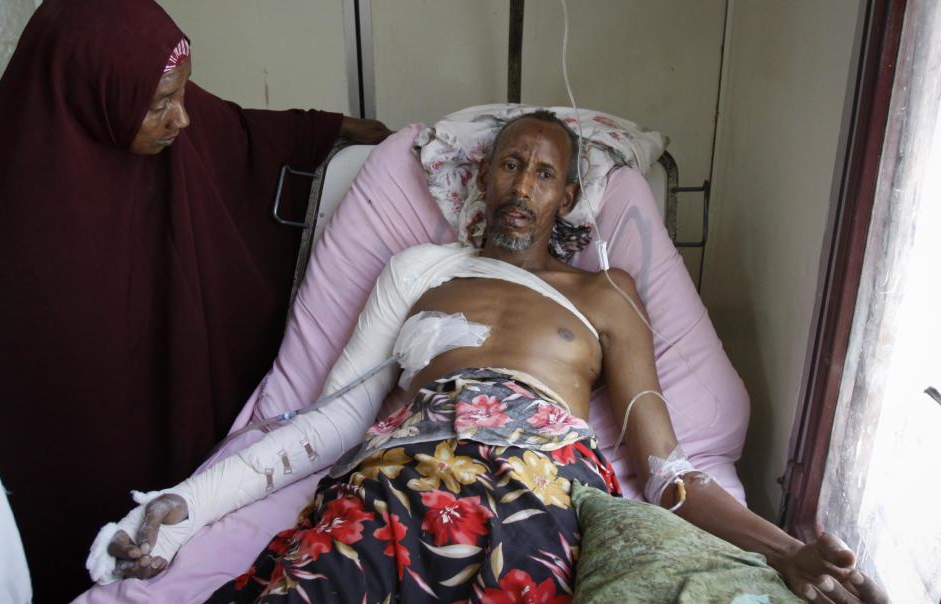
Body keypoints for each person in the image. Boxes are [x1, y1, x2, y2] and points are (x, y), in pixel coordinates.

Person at [100, 113, 888, 603]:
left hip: (541, 485)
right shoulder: (420, 270)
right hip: (400, 471)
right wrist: (192, 503)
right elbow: (332, 420)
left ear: (567, 195)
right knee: (318, 578)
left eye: (545, 174)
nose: (523, 186)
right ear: (482, 176)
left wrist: (789, 551)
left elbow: (671, 474)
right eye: (511, 164)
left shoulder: (607, 294)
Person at [0, 0, 390, 600]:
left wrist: (335, 128)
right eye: (160, 105)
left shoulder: (163, 124)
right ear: (96, 98)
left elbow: (242, 132)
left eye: (183, 94)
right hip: (69, 439)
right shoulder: (8, 207)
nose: (183, 119)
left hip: (163, 402)